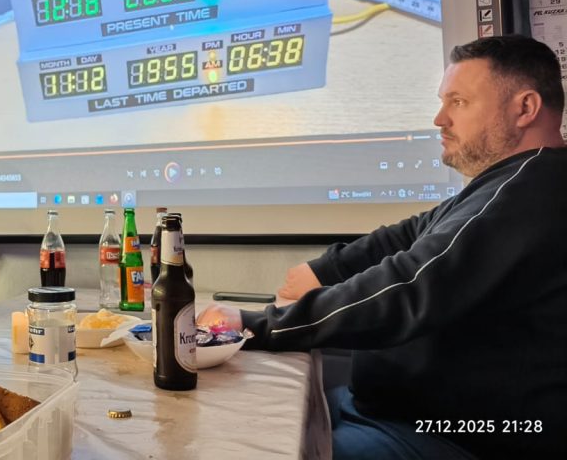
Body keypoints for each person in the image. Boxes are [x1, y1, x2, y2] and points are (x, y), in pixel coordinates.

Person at [199, 35, 567, 460]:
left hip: (452, 436)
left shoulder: (530, 191)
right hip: (396, 414)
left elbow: (409, 285)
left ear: (525, 108)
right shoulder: (512, 182)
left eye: (459, 102)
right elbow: (411, 234)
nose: (440, 119)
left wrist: (258, 324)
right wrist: (326, 269)